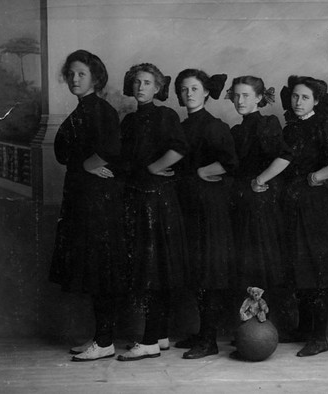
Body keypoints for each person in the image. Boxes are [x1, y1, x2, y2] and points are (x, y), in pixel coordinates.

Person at [49, 50, 127, 361]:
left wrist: (85, 166)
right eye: (71, 74)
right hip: (83, 199)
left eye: (81, 74)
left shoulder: (100, 109)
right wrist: (83, 166)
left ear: (95, 77)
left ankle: (105, 341)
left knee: (100, 269)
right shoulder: (84, 109)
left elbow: (111, 148)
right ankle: (101, 337)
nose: (74, 79)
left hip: (98, 201)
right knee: (92, 268)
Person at [116, 63, 189, 361]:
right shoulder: (129, 121)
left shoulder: (165, 115)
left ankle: (149, 340)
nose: (140, 87)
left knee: (154, 268)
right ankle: (158, 336)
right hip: (136, 199)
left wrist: (151, 170)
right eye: (137, 82)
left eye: (147, 82)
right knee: (149, 267)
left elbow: (179, 149)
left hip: (157, 201)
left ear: (158, 88)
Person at [280, 76, 328, 357]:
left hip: (314, 206)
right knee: (297, 265)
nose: (298, 102)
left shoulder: (326, 126)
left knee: (316, 265)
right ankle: (303, 328)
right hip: (291, 203)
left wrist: (318, 176)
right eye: (295, 97)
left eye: (305, 98)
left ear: (316, 101)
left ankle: (319, 336)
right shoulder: (290, 128)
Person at [173, 69, 238, 359]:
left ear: (206, 93)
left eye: (194, 89)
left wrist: (201, 171)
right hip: (188, 206)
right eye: (184, 89)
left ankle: (209, 340)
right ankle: (203, 333)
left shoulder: (214, 126)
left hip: (210, 209)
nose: (189, 94)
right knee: (197, 272)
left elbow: (232, 164)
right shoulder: (182, 126)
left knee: (209, 272)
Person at [225, 75, 291, 293]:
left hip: (263, 202)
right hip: (242, 200)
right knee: (244, 258)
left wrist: (259, 179)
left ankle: (266, 320)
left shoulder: (267, 123)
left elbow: (285, 156)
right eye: (236, 96)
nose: (240, 101)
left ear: (259, 97)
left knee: (263, 259)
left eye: (245, 95)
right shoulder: (236, 131)